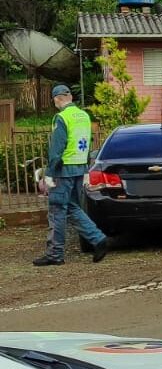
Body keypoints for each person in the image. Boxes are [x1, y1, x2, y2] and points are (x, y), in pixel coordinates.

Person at [33, 85, 108, 266]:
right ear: (70, 97)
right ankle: (98, 239)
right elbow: (87, 143)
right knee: (73, 207)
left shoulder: (61, 117)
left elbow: (57, 148)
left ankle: (55, 254)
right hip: (79, 168)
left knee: (57, 210)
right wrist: (86, 171)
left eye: (54, 100)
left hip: (62, 170)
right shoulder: (84, 116)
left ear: (57, 99)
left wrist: (49, 174)